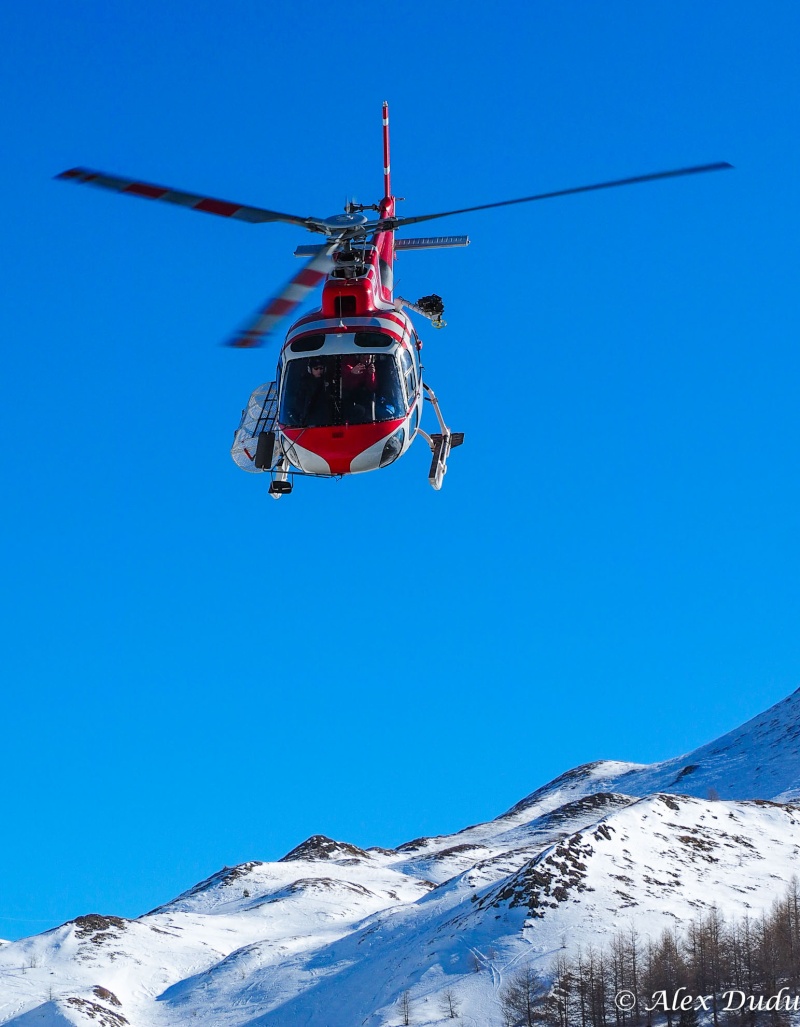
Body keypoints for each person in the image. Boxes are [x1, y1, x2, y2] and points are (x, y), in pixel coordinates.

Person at [341, 355, 377, 422]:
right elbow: (345, 384)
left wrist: (371, 374)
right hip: (349, 396)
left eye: (368, 359)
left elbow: (372, 388)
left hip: (363, 397)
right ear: (358, 357)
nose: (366, 361)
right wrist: (352, 373)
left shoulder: (370, 368)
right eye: (363, 358)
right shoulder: (349, 364)